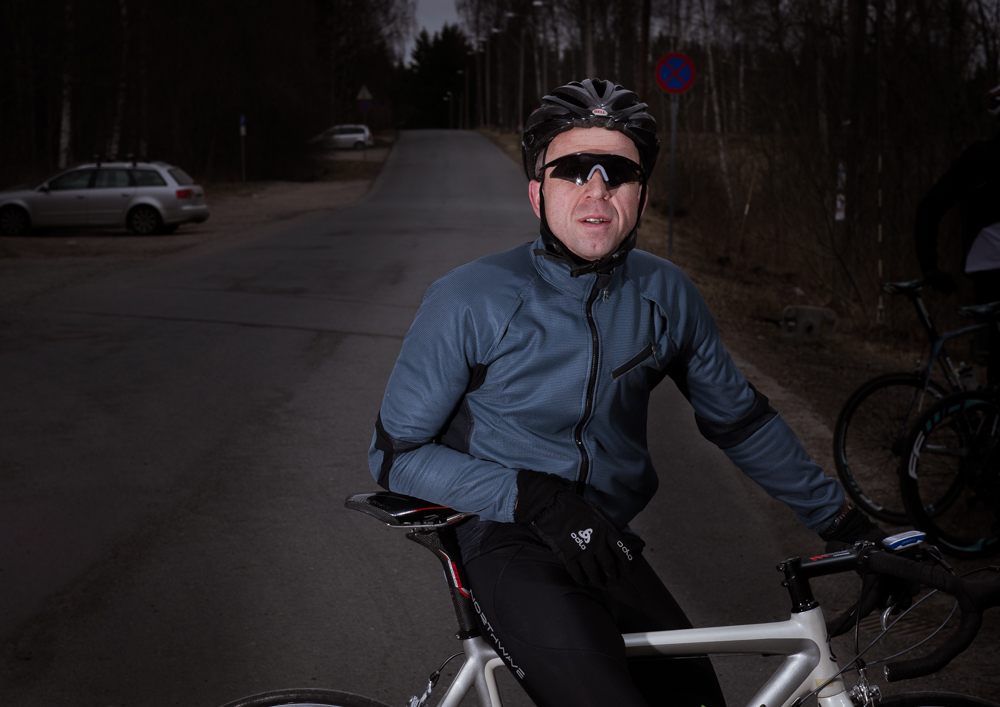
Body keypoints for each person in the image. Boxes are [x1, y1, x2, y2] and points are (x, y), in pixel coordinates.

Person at [369, 79, 879, 707]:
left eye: (618, 173)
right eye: (572, 170)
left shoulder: (667, 296)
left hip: (603, 538)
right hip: (502, 535)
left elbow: (742, 423)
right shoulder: (469, 298)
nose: (597, 189)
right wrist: (534, 498)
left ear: (642, 196)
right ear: (536, 192)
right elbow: (395, 455)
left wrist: (845, 523)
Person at [915, 82, 1000, 385]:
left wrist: (930, 266)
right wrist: (930, 266)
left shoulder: (981, 155)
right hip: (990, 271)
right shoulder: (983, 157)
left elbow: (929, 207)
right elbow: (930, 207)